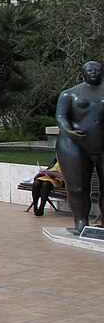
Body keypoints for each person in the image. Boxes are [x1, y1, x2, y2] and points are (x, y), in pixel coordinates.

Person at [55, 60, 104, 233]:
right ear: (83, 73)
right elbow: (61, 117)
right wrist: (70, 132)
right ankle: (81, 221)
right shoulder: (70, 94)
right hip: (74, 143)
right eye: (89, 70)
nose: (93, 72)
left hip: (101, 143)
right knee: (77, 187)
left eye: (97, 69)